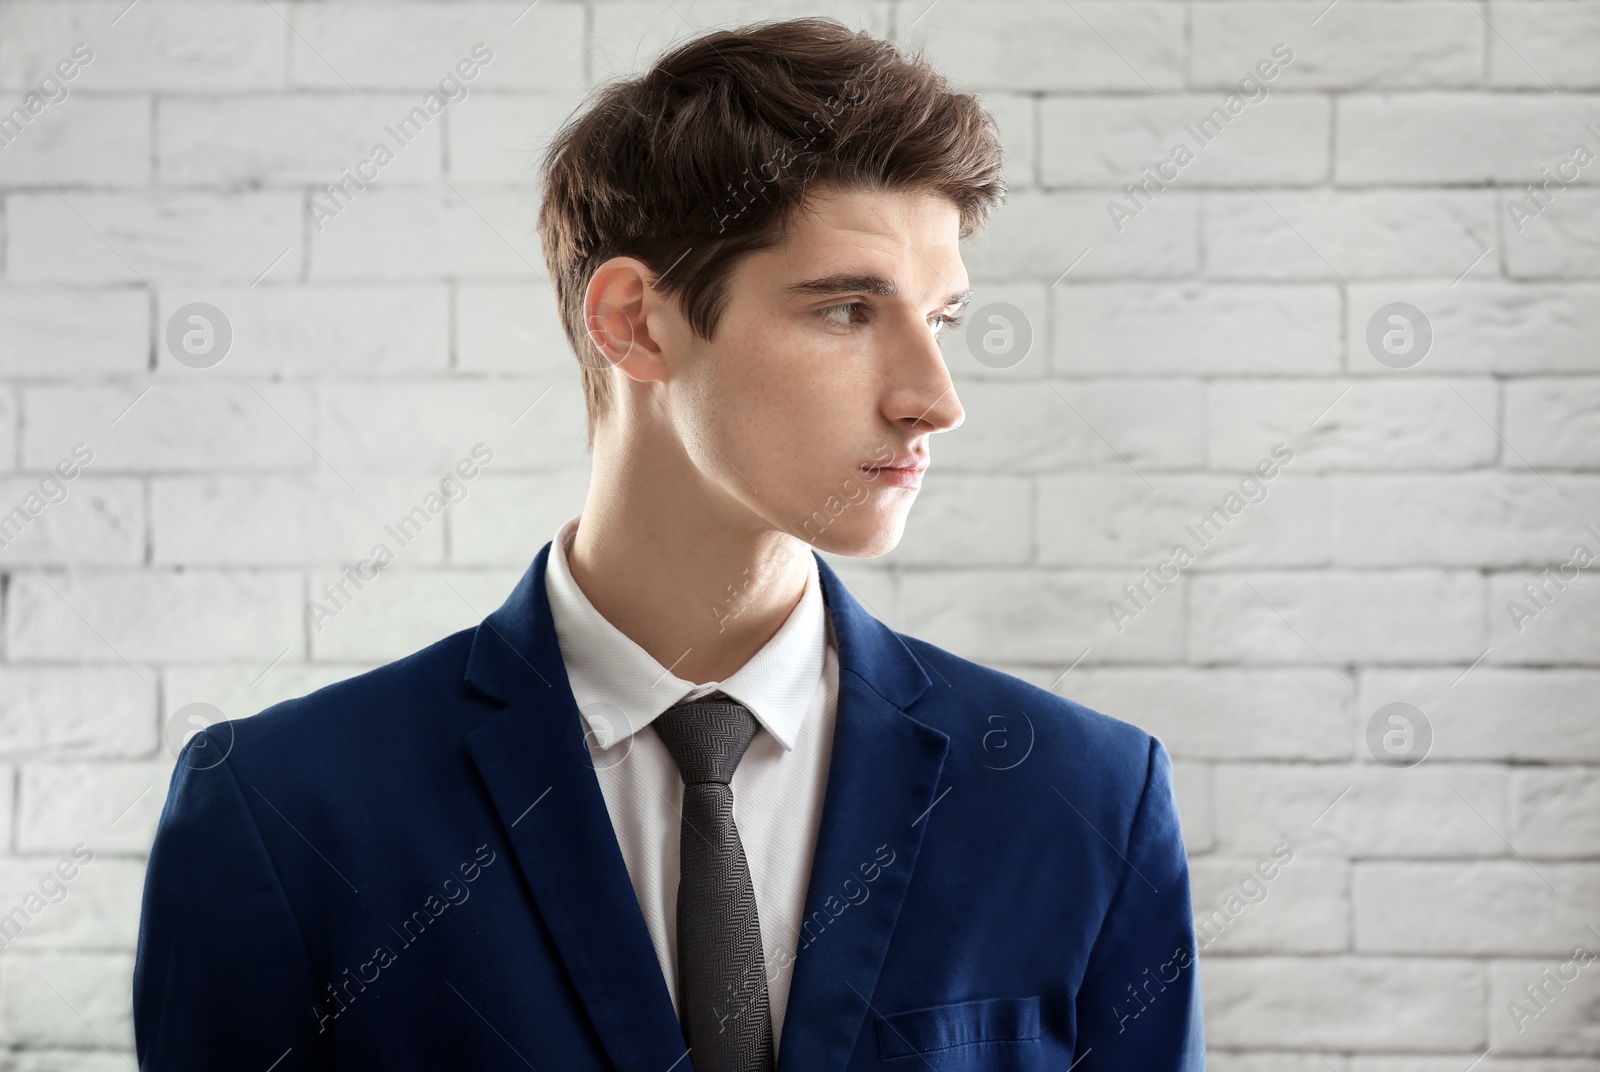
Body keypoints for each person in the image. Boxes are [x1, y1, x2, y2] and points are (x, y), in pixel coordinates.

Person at [133, 16, 1204, 1070]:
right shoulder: (285, 813)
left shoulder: (1083, 799)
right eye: (845, 310)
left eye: (945, 318)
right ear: (635, 323)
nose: (935, 398)